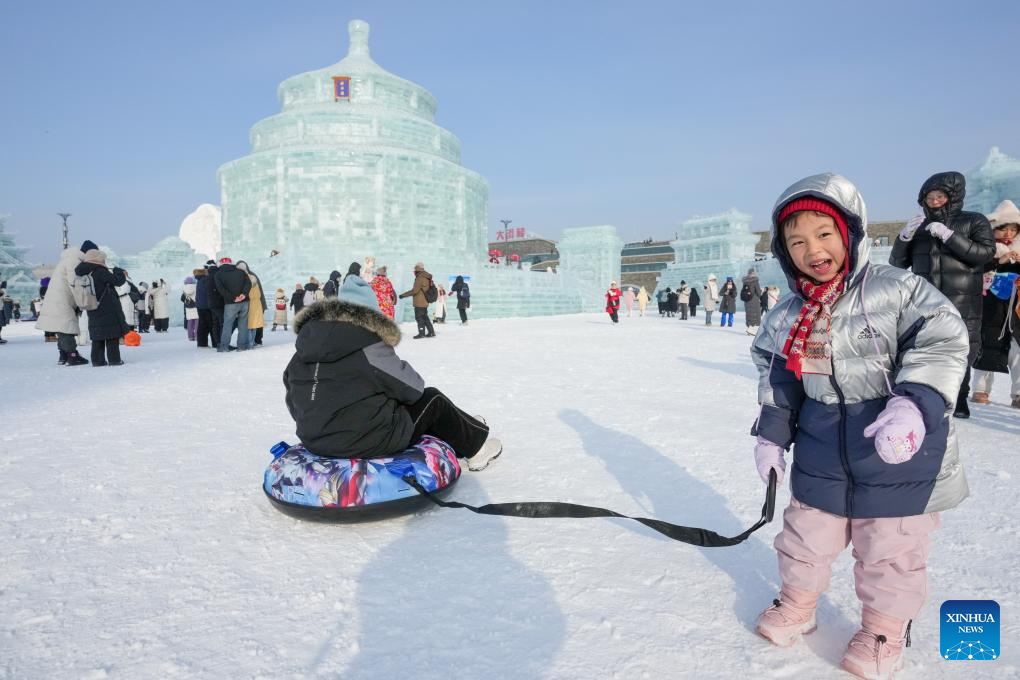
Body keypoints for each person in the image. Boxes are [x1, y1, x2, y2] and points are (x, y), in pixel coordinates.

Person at [751, 173, 968, 679]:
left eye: (824, 234)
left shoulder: (897, 289)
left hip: (896, 447)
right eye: (797, 240)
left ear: (850, 233)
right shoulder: (787, 314)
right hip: (822, 446)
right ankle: (799, 602)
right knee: (805, 535)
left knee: (890, 549)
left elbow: (941, 339)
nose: (813, 249)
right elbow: (778, 375)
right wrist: (771, 434)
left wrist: (913, 404)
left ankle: (885, 628)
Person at [283, 287, 503, 470]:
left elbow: (293, 401)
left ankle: (468, 424)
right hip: (367, 441)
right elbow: (414, 389)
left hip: (315, 439)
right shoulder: (368, 346)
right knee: (432, 401)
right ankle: (477, 450)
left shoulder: (300, 354)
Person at [889, 171, 996, 418]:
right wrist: (904, 238)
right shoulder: (921, 228)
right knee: (922, 345)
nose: (934, 201)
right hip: (926, 301)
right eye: (929, 197)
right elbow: (897, 263)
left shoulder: (974, 221)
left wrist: (950, 237)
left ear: (953, 196)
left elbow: (984, 253)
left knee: (963, 347)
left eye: (940, 196)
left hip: (963, 298)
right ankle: (923, 393)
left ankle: (959, 397)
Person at [971, 200, 1020, 408]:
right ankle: (980, 389)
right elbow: (976, 269)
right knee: (988, 346)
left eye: (1013, 229)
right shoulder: (986, 249)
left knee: (1018, 350)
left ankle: (1018, 393)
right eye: (1003, 229)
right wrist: (999, 261)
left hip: (1016, 309)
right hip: (991, 308)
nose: (1008, 233)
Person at [35, 240, 93, 365]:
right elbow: (74, 283)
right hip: (62, 300)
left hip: (59, 299)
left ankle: (63, 356)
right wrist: (82, 302)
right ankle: (72, 356)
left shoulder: (68, 259)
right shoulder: (73, 261)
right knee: (67, 329)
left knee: (62, 329)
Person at [74, 249, 130, 366]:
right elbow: (117, 281)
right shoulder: (99, 271)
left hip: (92, 306)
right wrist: (119, 272)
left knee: (97, 336)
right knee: (111, 335)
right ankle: (114, 360)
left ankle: (97, 361)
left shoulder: (84, 272)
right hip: (106, 306)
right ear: (97, 259)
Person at [214, 256, 252, 352]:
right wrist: (243, 295)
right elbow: (249, 283)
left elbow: (221, 290)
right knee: (243, 324)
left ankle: (224, 347)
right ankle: (242, 346)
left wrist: (233, 298)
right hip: (245, 301)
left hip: (230, 303)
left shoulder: (218, 274)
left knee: (227, 324)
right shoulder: (241, 272)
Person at [398, 262, 436, 339]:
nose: (414, 271)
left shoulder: (420, 278)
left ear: (417, 269)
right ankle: (431, 332)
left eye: (415, 269)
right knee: (425, 317)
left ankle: (421, 333)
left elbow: (415, 291)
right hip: (425, 301)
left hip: (419, 302)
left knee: (419, 317)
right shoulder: (426, 277)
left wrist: (403, 295)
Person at [237, 261, 266, 347]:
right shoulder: (252, 276)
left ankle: (252, 342)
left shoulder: (248, 277)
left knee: (251, 323)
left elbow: (254, 292)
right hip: (257, 302)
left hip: (252, 302)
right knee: (254, 323)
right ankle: (252, 341)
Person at [205, 259, 225, 348]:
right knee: (222, 323)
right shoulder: (217, 274)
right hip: (219, 303)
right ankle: (222, 342)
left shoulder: (208, 276)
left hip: (211, 303)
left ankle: (217, 343)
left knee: (215, 323)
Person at [194, 267, 213, 348]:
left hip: (200, 306)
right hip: (207, 306)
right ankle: (215, 343)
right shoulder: (205, 280)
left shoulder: (199, 280)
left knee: (202, 325)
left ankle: (201, 343)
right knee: (211, 325)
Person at [742, 267, 764, 335]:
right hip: (754, 300)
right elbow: (758, 292)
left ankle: (749, 328)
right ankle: (750, 329)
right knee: (754, 314)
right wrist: (761, 291)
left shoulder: (745, 281)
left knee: (749, 313)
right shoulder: (755, 280)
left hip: (747, 300)